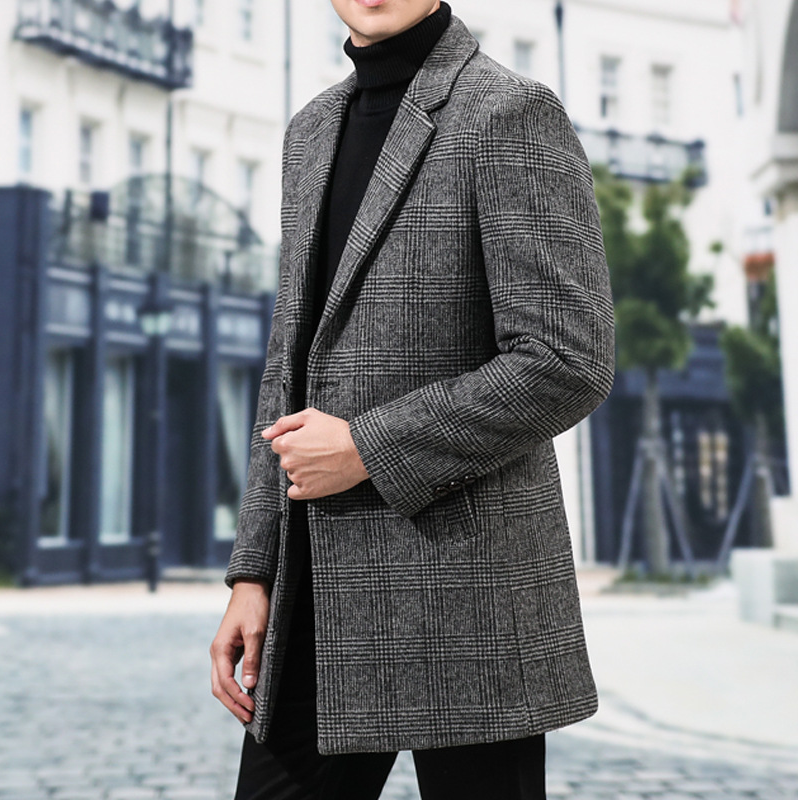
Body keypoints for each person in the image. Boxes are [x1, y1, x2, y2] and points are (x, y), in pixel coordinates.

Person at [210, 1, 614, 797]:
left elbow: (567, 360)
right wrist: (253, 572)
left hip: (469, 594)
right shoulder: (309, 130)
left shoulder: (510, 112)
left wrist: (368, 448)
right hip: (318, 592)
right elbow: (288, 365)